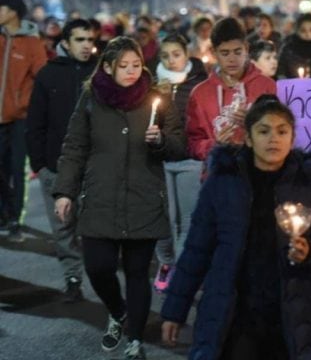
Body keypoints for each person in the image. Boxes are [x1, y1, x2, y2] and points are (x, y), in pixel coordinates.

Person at [160, 94, 311, 359]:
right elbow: (196, 251)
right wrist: (174, 311)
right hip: (233, 312)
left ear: (292, 139)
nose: (273, 139)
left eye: (282, 131)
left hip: (291, 311)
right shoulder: (224, 183)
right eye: (264, 131)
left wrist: (310, 252)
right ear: (247, 138)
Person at [52, 36, 186, 359]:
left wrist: (161, 141)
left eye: (136, 65)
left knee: (138, 272)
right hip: (101, 197)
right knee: (98, 267)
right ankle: (117, 309)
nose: (130, 71)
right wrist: (64, 191)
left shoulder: (157, 98)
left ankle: (135, 339)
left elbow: (180, 145)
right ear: (108, 67)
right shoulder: (90, 99)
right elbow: (74, 147)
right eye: (123, 66)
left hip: (143, 198)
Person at [25, 18, 97, 302]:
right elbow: (36, 123)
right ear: (66, 43)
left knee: (94, 225)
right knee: (63, 226)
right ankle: (72, 278)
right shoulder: (48, 75)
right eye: (80, 40)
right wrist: (39, 165)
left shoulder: (101, 73)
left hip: (94, 166)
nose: (86, 45)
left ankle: (101, 276)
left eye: (90, 40)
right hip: (55, 165)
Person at [151, 33, 208, 293]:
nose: (171, 60)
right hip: (159, 160)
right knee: (162, 219)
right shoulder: (152, 82)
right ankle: (166, 263)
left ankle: (184, 272)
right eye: (165, 56)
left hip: (189, 159)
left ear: (186, 54)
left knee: (186, 220)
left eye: (176, 54)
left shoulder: (199, 81)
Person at [185, 17, 276, 162]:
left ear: (246, 48)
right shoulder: (200, 94)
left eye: (237, 52)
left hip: (260, 173)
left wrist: (254, 122)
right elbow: (192, 143)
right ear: (214, 53)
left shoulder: (267, 86)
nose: (232, 59)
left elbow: (281, 131)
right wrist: (215, 145)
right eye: (225, 53)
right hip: (217, 175)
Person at [0, 0, 47, 242]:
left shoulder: (31, 43)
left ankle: (15, 219)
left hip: (20, 116)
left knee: (18, 169)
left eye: (2, 8)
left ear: (14, 12)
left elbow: (42, 79)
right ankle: (4, 213)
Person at [276, 13, 311, 79]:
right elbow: (281, 70)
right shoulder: (289, 49)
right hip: (293, 87)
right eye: (303, 30)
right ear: (297, 30)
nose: (308, 34)